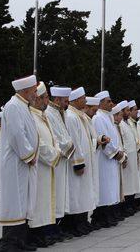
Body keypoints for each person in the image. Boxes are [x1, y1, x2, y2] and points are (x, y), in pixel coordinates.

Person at [0, 75, 39, 252]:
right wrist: (29, 155)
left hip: (23, 164)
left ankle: (20, 241)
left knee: (23, 203)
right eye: (35, 91)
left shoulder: (23, 106)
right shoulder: (13, 106)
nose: (36, 94)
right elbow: (17, 135)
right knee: (15, 204)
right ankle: (8, 244)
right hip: (15, 164)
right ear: (26, 90)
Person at [27, 82, 61, 247]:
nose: (48, 101)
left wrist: (57, 151)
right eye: (46, 97)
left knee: (45, 201)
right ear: (37, 99)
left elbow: (53, 138)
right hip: (40, 166)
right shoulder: (31, 116)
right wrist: (53, 155)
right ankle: (35, 235)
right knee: (38, 202)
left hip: (48, 167)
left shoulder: (42, 116)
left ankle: (42, 233)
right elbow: (37, 143)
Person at [63, 88, 97, 236]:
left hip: (86, 161)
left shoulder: (80, 115)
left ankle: (82, 221)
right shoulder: (71, 116)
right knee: (76, 194)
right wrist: (78, 163)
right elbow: (74, 142)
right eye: (83, 98)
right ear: (76, 100)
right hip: (77, 164)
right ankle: (74, 224)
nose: (85, 101)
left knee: (83, 193)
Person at [91, 94, 126, 228]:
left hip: (111, 160)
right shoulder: (99, 118)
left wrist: (118, 152)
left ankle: (109, 214)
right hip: (104, 159)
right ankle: (100, 217)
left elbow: (114, 138)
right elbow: (104, 140)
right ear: (100, 103)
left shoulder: (108, 117)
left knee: (111, 188)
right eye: (108, 101)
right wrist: (115, 153)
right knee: (104, 189)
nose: (111, 103)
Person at [44, 86, 75, 241]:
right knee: (55, 195)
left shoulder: (59, 113)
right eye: (65, 101)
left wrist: (69, 144)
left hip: (62, 161)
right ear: (57, 100)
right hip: (56, 160)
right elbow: (56, 137)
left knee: (61, 195)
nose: (67, 104)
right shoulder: (50, 114)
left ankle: (57, 226)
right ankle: (52, 228)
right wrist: (70, 145)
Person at [82, 96, 102, 230]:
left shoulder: (87, 120)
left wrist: (99, 140)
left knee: (87, 192)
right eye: (94, 110)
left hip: (90, 160)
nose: (95, 113)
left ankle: (83, 221)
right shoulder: (77, 118)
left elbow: (91, 139)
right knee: (82, 194)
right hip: (82, 162)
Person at [119, 101, 140, 215]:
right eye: (127, 110)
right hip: (126, 158)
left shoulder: (128, 124)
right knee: (127, 183)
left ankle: (131, 205)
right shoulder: (121, 124)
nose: (128, 112)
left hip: (133, 157)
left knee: (132, 182)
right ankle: (125, 207)